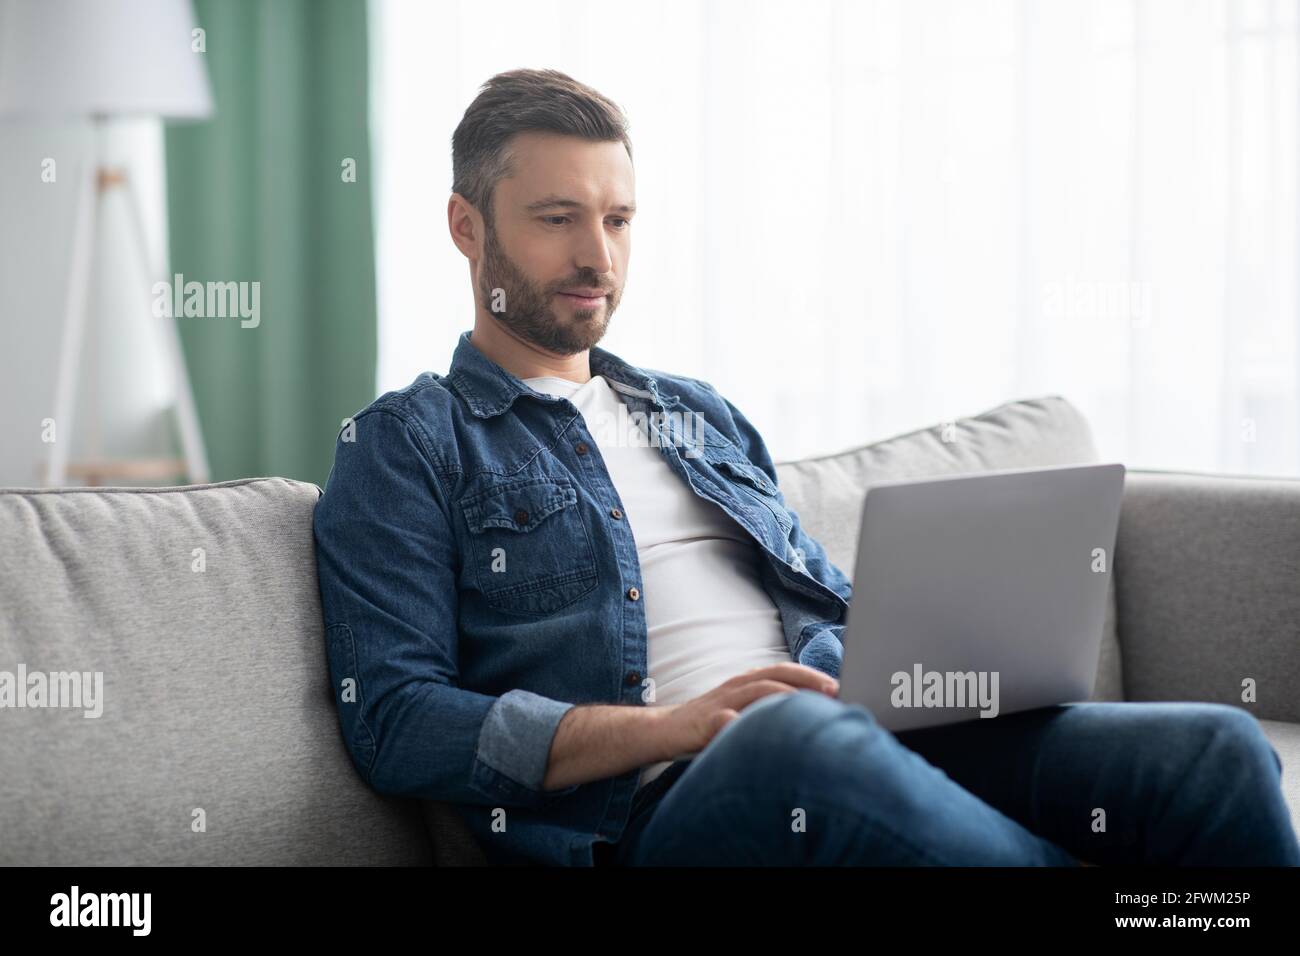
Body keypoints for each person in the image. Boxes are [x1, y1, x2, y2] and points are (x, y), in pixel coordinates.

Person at [312, 68, 1300, 867]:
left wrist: (918, 658)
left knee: (1210, 751)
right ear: (465, 225)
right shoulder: (407, 444)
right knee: (795, 744)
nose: (597, 258)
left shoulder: (692, 412)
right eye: (557, 217)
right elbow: (396, 718)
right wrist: (675, 726)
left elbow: (824, 605)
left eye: (617, 221)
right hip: (656, 806)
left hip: (851, 731)